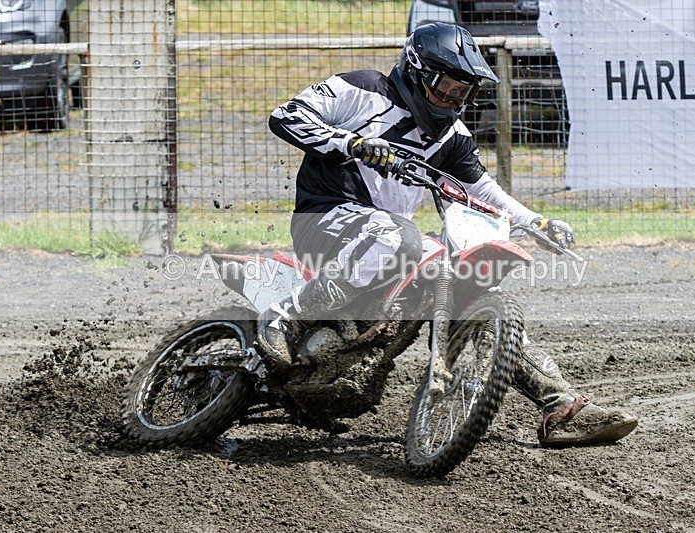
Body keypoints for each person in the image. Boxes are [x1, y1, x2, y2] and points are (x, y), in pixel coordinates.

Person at [262, 22, 637, 447]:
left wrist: (536, 222)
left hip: (388, 241)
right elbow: (286, 115)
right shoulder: (363, 88)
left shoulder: (451, 137)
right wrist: (351, 144)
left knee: (462, 285)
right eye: (445, 88)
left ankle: (562, 406)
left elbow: (482, 190)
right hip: (326, 220)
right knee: (401, 238)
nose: (452, 100)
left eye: (463, 92)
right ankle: (286, 315)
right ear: (417, 71)